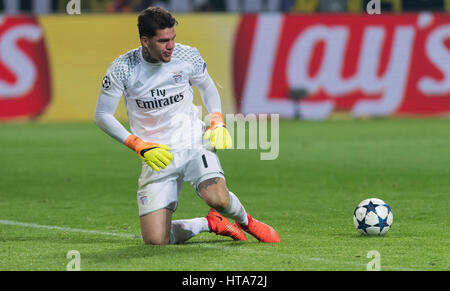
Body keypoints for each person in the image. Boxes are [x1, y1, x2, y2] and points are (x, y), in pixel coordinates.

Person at [94, 6, 280, 245]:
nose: (170, 46)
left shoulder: (187, 56)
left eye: (172, 38)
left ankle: (247, 222)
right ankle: (209, 223)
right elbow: (102, 115)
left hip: (193, 141)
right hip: (156, 155)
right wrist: (137, 145)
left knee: (218, 199)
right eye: (163, 41)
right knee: (156, 240)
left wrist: (217, 120)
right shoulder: (123, 68)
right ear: (145, 41)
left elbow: (208, 88)